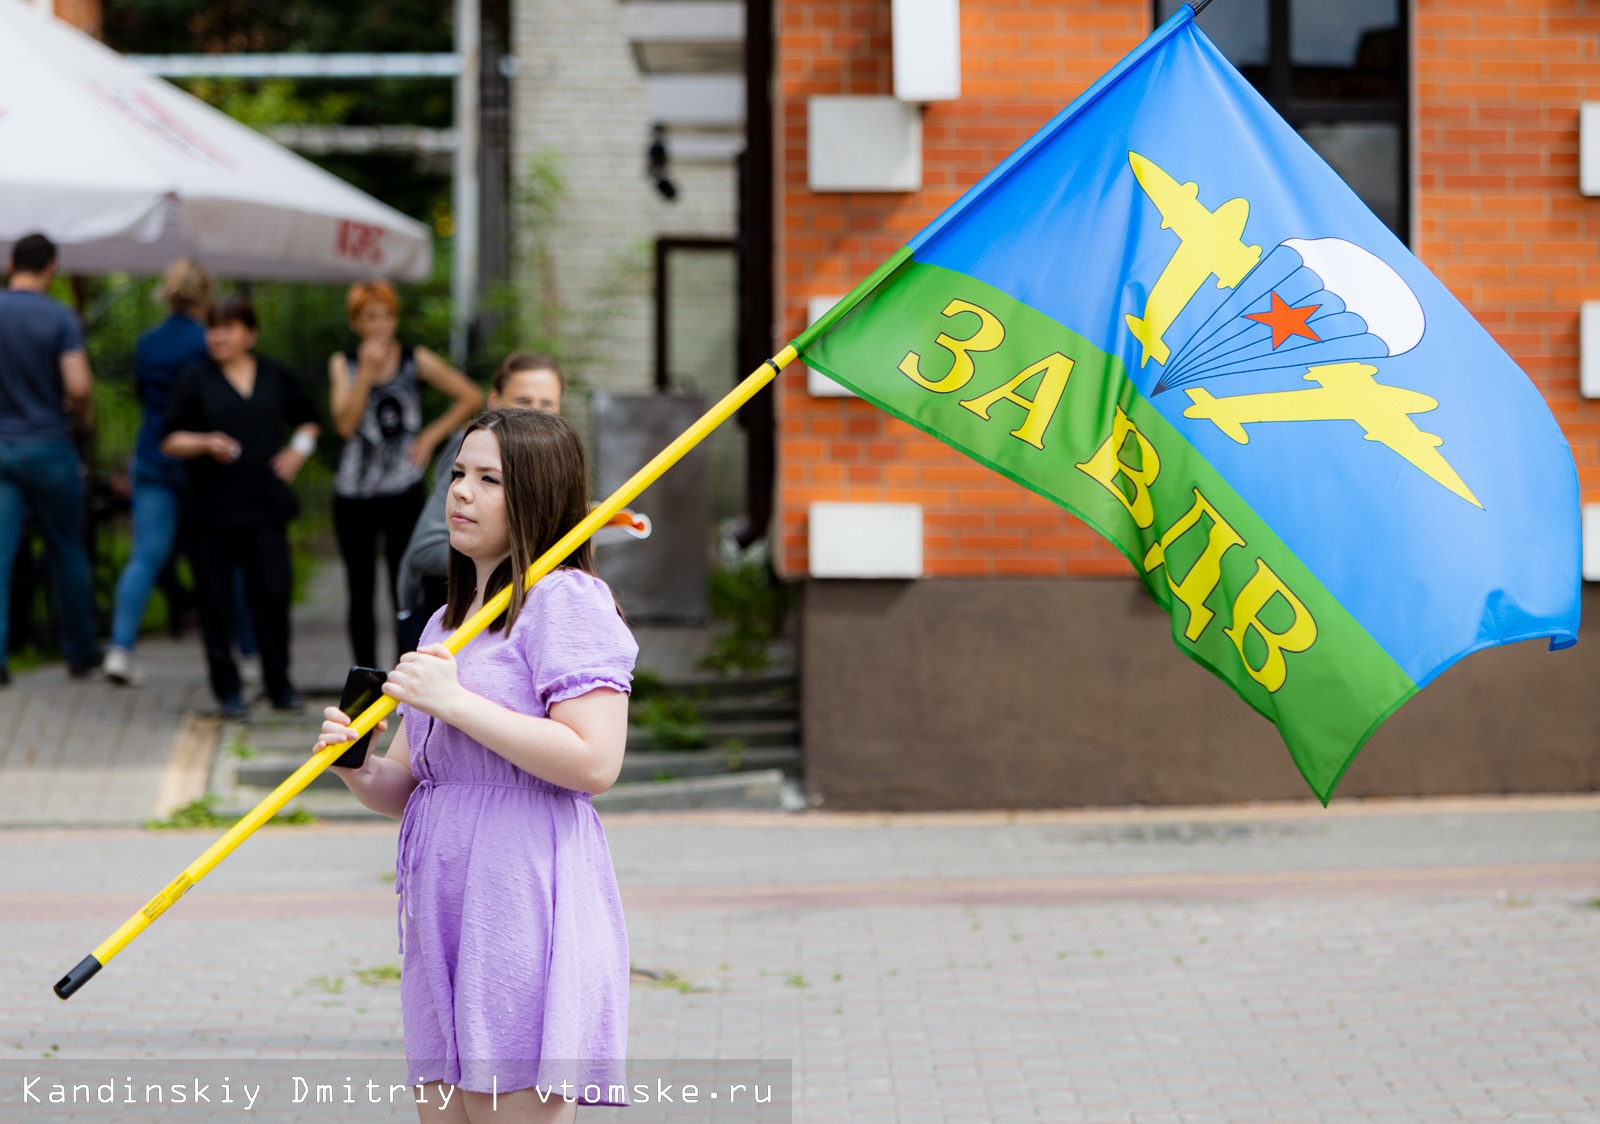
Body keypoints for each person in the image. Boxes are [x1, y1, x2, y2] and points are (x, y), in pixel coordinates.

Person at [315, 407, 635, 1119]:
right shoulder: (443, 624)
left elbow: (595, 761)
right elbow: (412, 782)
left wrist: (455, 703)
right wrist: (355, 766)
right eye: (458, 473)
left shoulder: (566, 602)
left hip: (520, 891)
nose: (461, 492)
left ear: (536, 497)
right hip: (442, 896)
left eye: (489, 479)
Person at [161, 297, 319, 719]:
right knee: (216, 604)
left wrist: (296, 453)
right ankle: (227, 691)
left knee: (272, 596)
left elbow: (309, 419)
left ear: (250, 334)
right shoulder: (194, 381)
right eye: (213, 328)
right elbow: (169, 439)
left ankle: (279, 685)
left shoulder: (275, 376)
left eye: (229, 328)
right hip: (210, 512)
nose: (219, 336)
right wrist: (205, 442)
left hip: (265, 506)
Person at [329, 281, 483, 669]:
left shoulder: (416, 359)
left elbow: (470, 396)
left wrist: (431, 435)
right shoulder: (343, 364)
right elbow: (345, 425)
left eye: (387, 315)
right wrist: (364, 372)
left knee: (406, 583)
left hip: (402, 486)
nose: (381, 324)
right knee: (359, 588)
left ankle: (411, 672)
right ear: (356, 323)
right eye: (371, 317)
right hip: (354, 492)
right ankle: (363, 679)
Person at [393, 352, 563, 653]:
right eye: (523, 401)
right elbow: (423, 550)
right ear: (494, 400)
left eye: (546, 404)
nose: (534, 415)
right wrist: (504, 558)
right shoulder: (478, 449)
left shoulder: (552, 461)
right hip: (449, 617)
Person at [103, 259, 211, 687]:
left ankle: (119, 647)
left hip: (150, 456)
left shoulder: (148, 342)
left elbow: (143, 395)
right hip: (197, 461)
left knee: (144, 556)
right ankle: (246, 648)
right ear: (205, 295)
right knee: (220, 555)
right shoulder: (206, 343)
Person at [0, 233, 100, 684]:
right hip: (49, 446)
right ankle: (80, 652)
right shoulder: (59, 317)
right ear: (51, 268)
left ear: (10, 263)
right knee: (67, 548)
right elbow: (78, 386)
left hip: (2, 447)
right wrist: (79, 417)